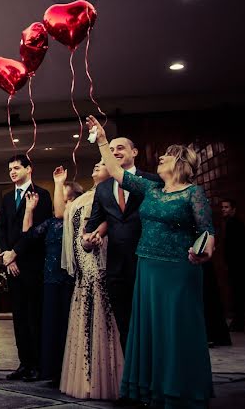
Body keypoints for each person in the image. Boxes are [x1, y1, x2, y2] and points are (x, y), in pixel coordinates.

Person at [87, 115, 216, 408]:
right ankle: (150, 389)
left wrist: (205, 252)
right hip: (148, 267)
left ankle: (181, 389)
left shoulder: (193, 193)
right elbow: (118, 173)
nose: (160, 158)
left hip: (179, 270)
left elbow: (207, 230)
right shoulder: (150, 189)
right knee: (149, 330)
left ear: (180, 163)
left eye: (166, 157)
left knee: (177, 329)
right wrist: (104, 142)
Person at [83, 136, 161, 351]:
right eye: (111, 149)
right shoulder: (103, 188)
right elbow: (93, 223)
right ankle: (131, 378)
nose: (115, 152)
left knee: (151, 325)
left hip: (147, 264)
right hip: (116, 267)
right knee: (125, 328)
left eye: (120, 148)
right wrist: (87, 240)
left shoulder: (152, 181)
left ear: (134, 152)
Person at [7, 170, 80, 386]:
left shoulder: (76, 221)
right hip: (49, 279)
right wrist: (29, 210)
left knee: (67, 324)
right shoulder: (50, 224)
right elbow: (27, 235)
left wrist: (58, 183)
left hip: (69, 279)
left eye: (64, 199)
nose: (60, 203)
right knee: (51, 325)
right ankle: (53, 370)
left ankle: (69, 371)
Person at [59, 160, 124, 400]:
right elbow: (61, 215)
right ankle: (87, 378)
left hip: (103, 259)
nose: (96, 165)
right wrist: (58, 184)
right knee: (85, 315)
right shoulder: (83, 198)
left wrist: (94, 237)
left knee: (104, 314)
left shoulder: (113, 194)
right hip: (83, 266)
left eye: (103, 163)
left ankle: (109, 378)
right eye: (95, 163)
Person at [0, 154, 52, 382]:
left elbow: (38, 231)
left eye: (17, 168)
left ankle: (38, 365)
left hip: (32, 263)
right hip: (13, 266)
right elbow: (2, 231)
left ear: (29, 169)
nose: (12, 172)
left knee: (34, 316)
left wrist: (16, 253)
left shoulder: (42, 195)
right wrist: (8, 258)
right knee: (18, 317)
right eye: (10, 168)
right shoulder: (8, 197)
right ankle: (24, 363)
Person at [221, 199, 245, 332]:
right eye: (223, 207)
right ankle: (238, 322)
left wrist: (232, 264)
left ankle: (238, 323)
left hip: (239, 266)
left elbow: (237, 248)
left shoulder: (235, 224)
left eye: (226, 207)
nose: (223, 209)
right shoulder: (232, 223)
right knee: (241, 294)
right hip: (239, 266)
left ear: (233, 209)